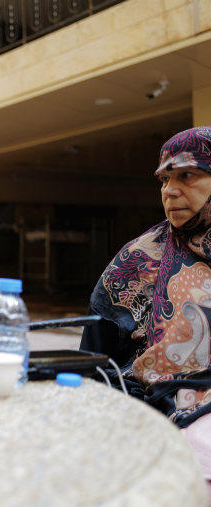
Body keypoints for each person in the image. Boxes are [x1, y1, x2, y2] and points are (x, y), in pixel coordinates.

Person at [81, 126, 211, 497]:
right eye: (165, 179)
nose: (170, 190)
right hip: (163, 413)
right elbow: (93, 356)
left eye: (187, 175)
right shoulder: (137, 263)